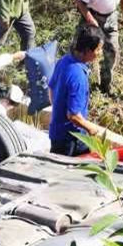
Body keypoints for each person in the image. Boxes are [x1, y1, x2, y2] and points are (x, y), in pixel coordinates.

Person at [48, 26, 104, 156]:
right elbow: (73, 115)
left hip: (57, 131)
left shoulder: (64, 61)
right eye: (98, 49)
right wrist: (92, 128)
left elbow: (51, 88)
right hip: (70, 139)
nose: (100, 53)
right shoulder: (78, 76)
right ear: (87, 50)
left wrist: (57, 110)